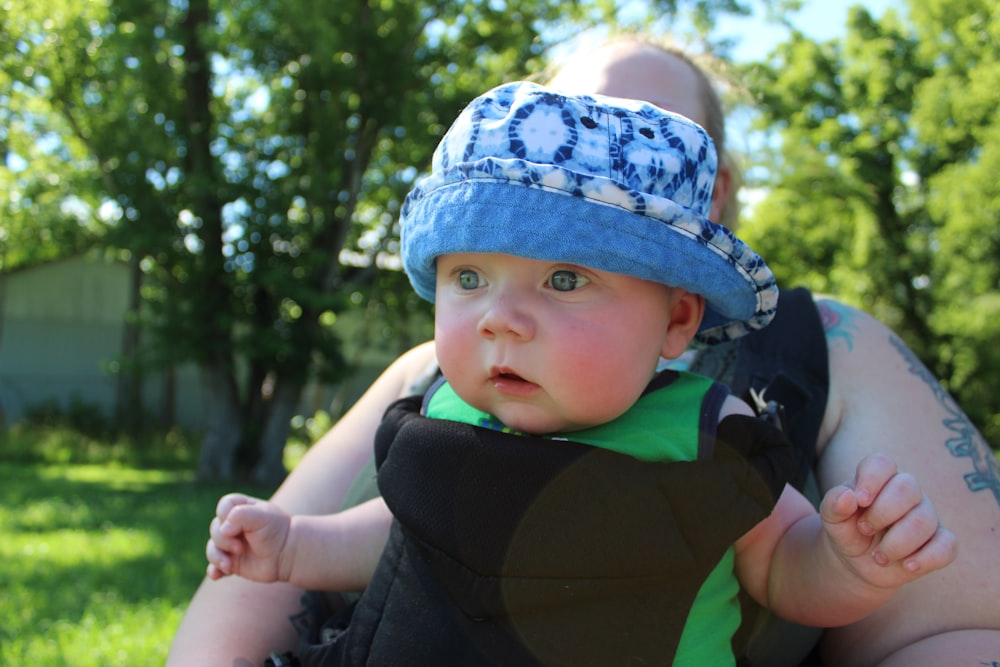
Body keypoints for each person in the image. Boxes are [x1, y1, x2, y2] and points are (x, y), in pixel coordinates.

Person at [167, 37, 1000, 667]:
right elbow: (397, 523)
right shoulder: (446, 401)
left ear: (680, 312)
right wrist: (292, 545)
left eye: (567, 274)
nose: (504, 318)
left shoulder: (715, 424)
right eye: (472, 275)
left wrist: (854, 563)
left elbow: (784, 562)